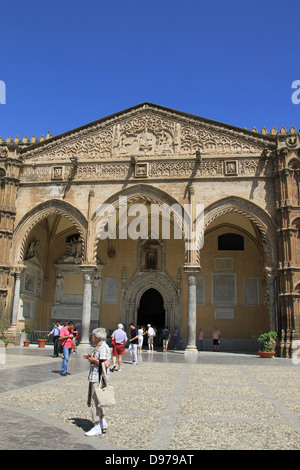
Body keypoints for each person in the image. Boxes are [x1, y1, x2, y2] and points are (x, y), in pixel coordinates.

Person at [83, 327, 111, 436]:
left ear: (97, 337)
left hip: (98, 378)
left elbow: (106, 364)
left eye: (93, 336)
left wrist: (92, 360)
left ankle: (96, 425)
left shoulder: (103, 347)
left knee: (94, 402)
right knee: (99, 401)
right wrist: (90, 357)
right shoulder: (98, 347)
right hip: (94, 376)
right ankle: (103, 422)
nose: (92, 338)